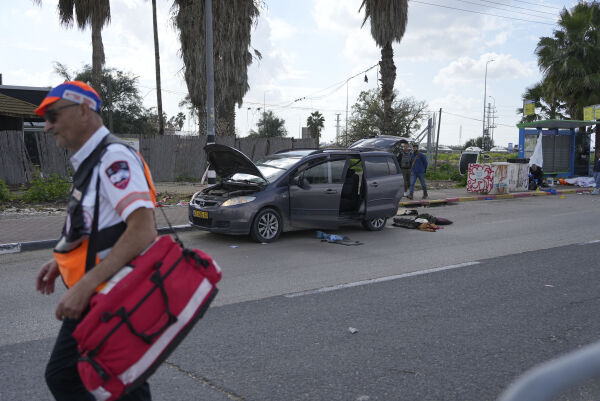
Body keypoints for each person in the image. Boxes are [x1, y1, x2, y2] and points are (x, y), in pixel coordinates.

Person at [35, 81, 157, 401]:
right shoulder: (91, 159)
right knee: (107, 380)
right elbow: (96, 229)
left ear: (84, 111)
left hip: (111, 295)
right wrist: (61, 260)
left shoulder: (114, 158)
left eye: (53, 115)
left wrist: (85, 286)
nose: (47, 126)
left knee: (76, 377)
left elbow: (143, 230)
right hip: (100, 295)